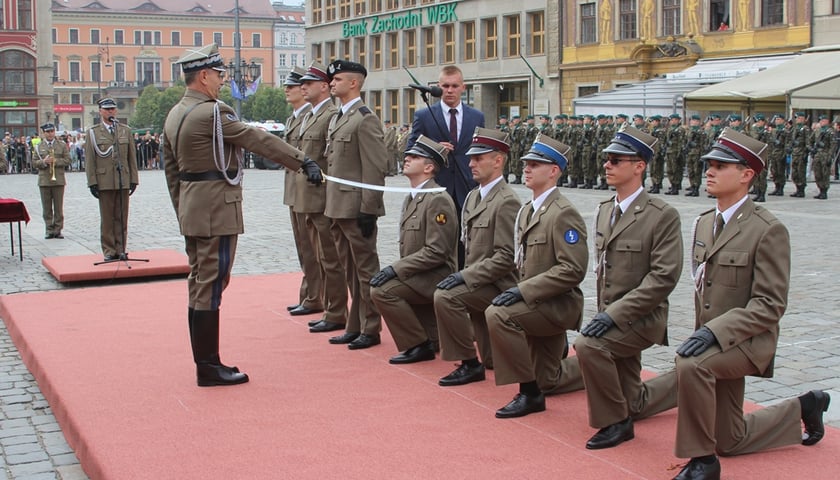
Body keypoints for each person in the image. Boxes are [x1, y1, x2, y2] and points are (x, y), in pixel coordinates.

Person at [667, 127, 829, 479]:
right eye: (708, 163)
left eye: (720, 165)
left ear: (746, 175)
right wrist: (708, 334)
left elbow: (770, 304)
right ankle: (805, 406)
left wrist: (713, 333)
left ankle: (702, 461)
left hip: (747, 341)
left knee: (691, 365)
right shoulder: (705, 222)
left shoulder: (767, 229)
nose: (708, 170)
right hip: (714, 339)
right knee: (731, 438)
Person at [162, 43, 323, 387]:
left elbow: (170, 169)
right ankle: (208, 367)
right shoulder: (213, 113)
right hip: (216, 208)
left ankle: (207, 362)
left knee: (199, 283)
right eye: (219, 76)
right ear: (203, 76)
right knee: (211, 284)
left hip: (194, 206)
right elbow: (256, 139)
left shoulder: (176, 112)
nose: (222, 81)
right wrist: (302, 160)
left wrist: (184, 207)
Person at [570, 126, 683, 449]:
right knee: (632, 399)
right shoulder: (606, 209)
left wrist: (614, 315)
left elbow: (663, 278)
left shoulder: (661, 215)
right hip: (613, 316)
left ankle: (616, 423)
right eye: (606, 159)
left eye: (616, 160)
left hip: (641, 318)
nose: (607, 165)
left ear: (639, 166)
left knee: (589, 346)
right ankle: (682, 384)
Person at [485, 134, 588, 419]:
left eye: (535, 164)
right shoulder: (529, 210)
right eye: (526, 164)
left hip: (556, 304)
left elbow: (573, 270)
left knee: (499, 314)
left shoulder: (563, 213)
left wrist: (522, 291)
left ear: (553, 171)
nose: (527, 169)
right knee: (550, 380)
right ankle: (593, 365)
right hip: (536, 302)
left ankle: (529, 392)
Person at [433, 128, 520, 385]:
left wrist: (465, 276)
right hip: (479, 283)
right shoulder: (473, 196)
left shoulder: (506, 201)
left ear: (498, 160)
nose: (471, 164)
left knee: (446, 297)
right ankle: (473, 358)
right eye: (471, 158)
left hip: (498, 286)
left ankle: (470, 364)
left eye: (478, 158)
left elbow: (506, 257)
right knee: (494, 359)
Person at [371, 136, 458, 363]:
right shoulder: (415, 196)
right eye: (408, 155)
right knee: (386, 285)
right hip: (419, 273)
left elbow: (437, 251)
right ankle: (430, 337)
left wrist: (396, 269)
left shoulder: (437, 198)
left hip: (435, 275)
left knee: (383, 290)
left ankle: (418, 345)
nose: (407, 158)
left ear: (429, 168)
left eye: (415, 157)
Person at [323, 59, 389, 350]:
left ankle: (371, 327)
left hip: (356, 209)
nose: (332, 83)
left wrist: (369, 208)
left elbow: (376, 167)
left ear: (354, 83)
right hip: (337, 206)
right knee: (349, 269)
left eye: (337, 79)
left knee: (366, 270)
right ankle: (355, 323)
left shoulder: (365, 119)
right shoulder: (339, 117)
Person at [297, 61, 349, 335]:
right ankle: (331, 307)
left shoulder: (330, 114)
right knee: (319, 257)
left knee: (331, 258)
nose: (303, 87)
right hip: (308, 198)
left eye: (309, 83)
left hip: (322, 198)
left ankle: (337, 311)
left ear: (324, 87)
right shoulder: (309, 115)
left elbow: (331, 161)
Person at [406, 65, 485, 216]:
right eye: (445, 86)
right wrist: (434, 149)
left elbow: (480, 151)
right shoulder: (424, 116)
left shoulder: (477, 117)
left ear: (463, 87)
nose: (450, 90)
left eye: (455, 86)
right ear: (438, 87)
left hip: (467, 187)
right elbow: (410, 152)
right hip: (436, 187)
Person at [282, 66, 323, 317]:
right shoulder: (295, 117)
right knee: (303, 248)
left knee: (314, 248)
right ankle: (309, 294)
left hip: (308, 189)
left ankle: (316, 296)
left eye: (293, 86)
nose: (288, 90)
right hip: (294, 189)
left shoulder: (311, 115)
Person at [85, 97, 139, 261]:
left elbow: (131, 157)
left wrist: (133, 179)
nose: (110, 112)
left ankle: (121, 248)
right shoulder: (93, 133)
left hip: (122, 178)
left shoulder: (125, 130)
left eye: (113, 109)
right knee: (108, 217)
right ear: (100, 111)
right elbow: (90, 160)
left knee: (122, 216)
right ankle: (109, 250)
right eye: (107, 109)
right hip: (105, 180)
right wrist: (92, 182)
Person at [32, 123, 72, 239]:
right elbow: (34, 163)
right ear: (43, 133)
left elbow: (68, 160)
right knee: (47, 207)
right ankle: (49, 229)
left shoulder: (62, 145)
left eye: (52, 131)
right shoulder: (38, 146)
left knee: (58, 207)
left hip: (58, 180)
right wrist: (44, 162)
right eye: (48, 132)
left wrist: (56, 161)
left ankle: (58, 230)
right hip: (44, 181)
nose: (50, 134)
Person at [789, 112, 812, 198]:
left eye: (798, 118)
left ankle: (801, 190)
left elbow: (808, 141)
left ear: (803, 119)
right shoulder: (795, 128)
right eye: (796, 118)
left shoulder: (805, 129)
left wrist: (807, 151)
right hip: (795, 152)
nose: (797, 120)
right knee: (795, 172)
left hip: (801, 153)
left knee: (800, 171)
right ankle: (797, 188)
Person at [811, 115, 833, 200]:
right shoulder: (817, 131)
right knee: (817, 173)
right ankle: (820, 189)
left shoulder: (830, 132)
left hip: (825, 154)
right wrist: (812, 149)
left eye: (824, 121)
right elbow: (810, 140)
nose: (822, 122)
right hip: (817, 155)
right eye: (821, 121)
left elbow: (833, 145)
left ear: (827, 122)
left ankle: (824, 191)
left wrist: (829, 156)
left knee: (825, 174)